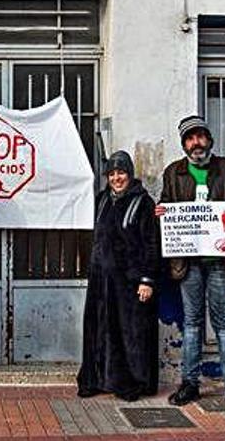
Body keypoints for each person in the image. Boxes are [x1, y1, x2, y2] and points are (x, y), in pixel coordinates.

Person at [155, 115, 225, 415]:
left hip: (220, 261)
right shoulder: (174, 172)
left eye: (200, 136)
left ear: (209, 139)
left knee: (224, 325)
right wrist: (161, 212)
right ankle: (189, 382)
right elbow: (166, 205)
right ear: (184, 144)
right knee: (192, 323)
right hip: (188, 262)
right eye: (189, 138)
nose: (196, 143)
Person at [77, 150, 160, 402]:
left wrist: (147, 280)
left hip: (130, 284)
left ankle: (132, 382)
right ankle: (99, 379)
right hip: (102, 282)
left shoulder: (143, 203)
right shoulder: (102, 199)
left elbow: (152, 244)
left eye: (121, 173)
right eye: (112, 174)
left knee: (129, 334)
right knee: (100, 330)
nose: (116, 178)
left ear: (130, 175)